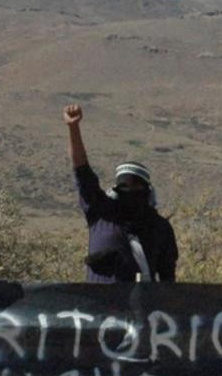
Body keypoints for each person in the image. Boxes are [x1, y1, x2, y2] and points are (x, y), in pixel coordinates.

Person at [64, 104, 178, 283]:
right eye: (124, 189)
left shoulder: (160, 228)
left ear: (147, 192)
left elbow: (168, 279)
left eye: (136, 189)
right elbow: (82, 171)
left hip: (141, 309)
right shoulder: (101, 213)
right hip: (98, 308)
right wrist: (73, 128)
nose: (130, 194)